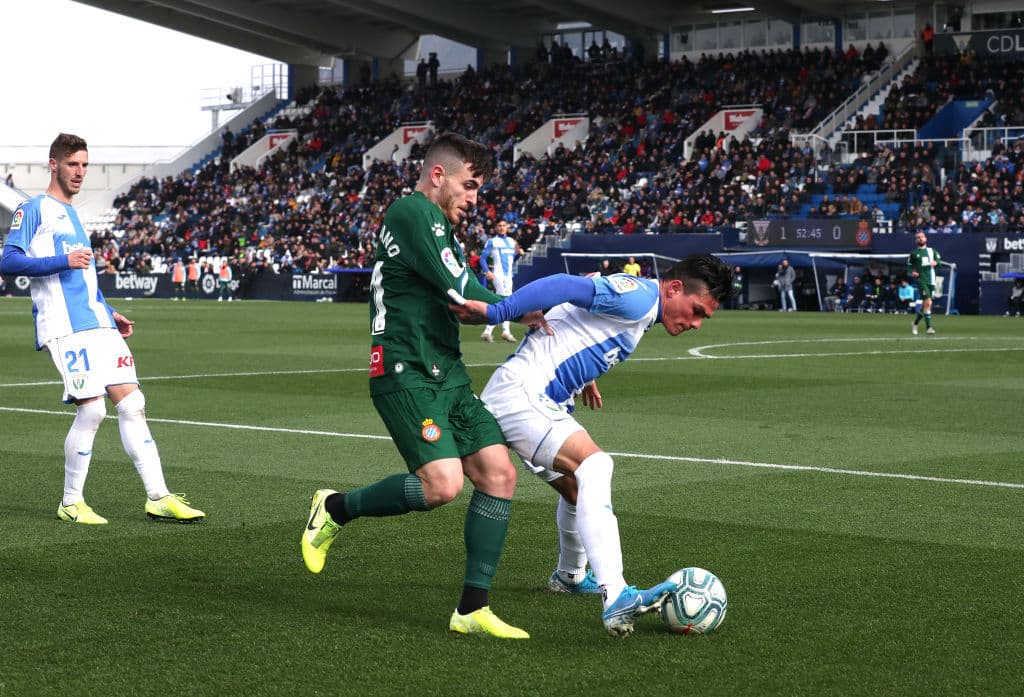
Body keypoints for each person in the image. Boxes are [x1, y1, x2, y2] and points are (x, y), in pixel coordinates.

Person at [300, 133, 545, 639]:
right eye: (470, 185)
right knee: (443, 486)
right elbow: (461, 292)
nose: (476, 198)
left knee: (499, 475)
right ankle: (335, 507)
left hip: (447, 373)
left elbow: (465, 292)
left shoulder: (442, 229)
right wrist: (524, 307)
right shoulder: (413, 214)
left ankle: (471, 610)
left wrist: (519, 308)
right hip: (404, 370)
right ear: (439, 175)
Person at [449, 253, 734, 636]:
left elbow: (576, 318)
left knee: (572, 489)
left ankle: (569, 576)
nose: (695, 323)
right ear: (675, 288)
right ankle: (616, 594)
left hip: (530, 398)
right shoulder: (640, 297)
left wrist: (585, 373)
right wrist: (500, 311)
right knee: (596, 466)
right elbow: (564, 286)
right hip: (524, 396)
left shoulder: (644, 307)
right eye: (696, 310)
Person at [0, 133, 205, 524]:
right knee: (92, 410)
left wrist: (109, 312)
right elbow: (8, 262)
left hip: (97, 323)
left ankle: (158, 497)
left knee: (133, 404)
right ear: (54, 164)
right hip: (64, 326)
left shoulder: (74, 215)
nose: (80, 172)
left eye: (84, 165)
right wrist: (61, 260)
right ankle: (71, 502)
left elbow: (84, 280)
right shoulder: (35, 209)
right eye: (73, 164)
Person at [479, 220, 520, 343]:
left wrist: (518, 255)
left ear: (507, 227)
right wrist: (487, 271)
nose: (502, 227)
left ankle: (488, 331)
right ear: (496, 228)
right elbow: (482, 259)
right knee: (507, 302)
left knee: (503, 302)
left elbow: (512, 259)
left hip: (508, 276)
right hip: (499, 275)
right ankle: (505, 331)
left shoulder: (512, 242)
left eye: (504, 225)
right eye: (499, 226)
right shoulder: (492, 241)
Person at [907, 231, 939, 335]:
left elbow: (939, 262)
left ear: (925, 238)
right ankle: (929, 327)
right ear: (916, 240)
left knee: (926, 305)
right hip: (921, 280)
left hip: (932, 281)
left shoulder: (932, 251)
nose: (920, 238)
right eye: (918, 237)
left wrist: (936, 263)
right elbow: (909, 266)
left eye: (922, 237)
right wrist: (913, 272)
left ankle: (915, 323)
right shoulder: (914, 253)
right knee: (928, 303)